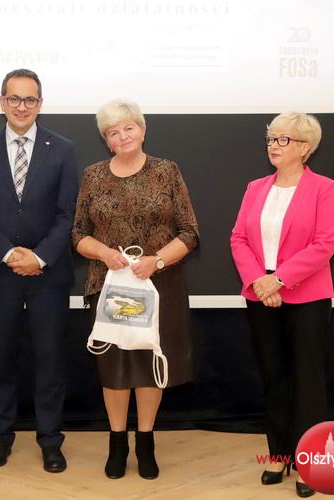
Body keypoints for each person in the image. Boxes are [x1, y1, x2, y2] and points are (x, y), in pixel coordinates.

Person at [72, 99, 198, 480]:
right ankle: (117, 442)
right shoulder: (93, 176)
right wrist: (104, 252)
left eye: (128, 128)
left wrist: (156, 261)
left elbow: (190, 232)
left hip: (157, 286)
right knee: (113, 367)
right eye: (113, 132)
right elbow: (78, 234)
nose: (122, 136)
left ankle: (145, 441)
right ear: (105, 140)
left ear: (142, 130)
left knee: (146, 365)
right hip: (108, 287)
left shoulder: (167, 171)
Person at [0, 69, 78, 473]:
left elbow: (68, 214)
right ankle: (1, 437)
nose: (22, 106)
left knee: (50, 361)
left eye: (30, 99)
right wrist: (10, 253)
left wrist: (39, 257)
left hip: (49, 275)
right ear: (2, 102)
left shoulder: (63, 149)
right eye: (14, 98)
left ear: (40, 104)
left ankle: (50, 440)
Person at [230, 112, 334, 498]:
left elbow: (324, 244)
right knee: (273, 375)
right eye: (271, 138)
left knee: (308, 379)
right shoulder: (255, 187)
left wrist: (278, 280)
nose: (273, 146)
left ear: (305, 147)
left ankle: (309, 460)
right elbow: (238, 238)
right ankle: (278, 454)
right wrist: (260, 283)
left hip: (306, 295)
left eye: (283, 140)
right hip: (260, 294)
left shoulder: (325, 188)